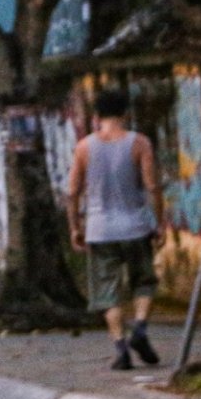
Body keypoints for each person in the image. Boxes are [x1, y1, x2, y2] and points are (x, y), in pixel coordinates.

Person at [67, 87, 167, 371]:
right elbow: (152, 186)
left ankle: (121, 348)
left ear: (96, 115)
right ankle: (141, 329)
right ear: (125, 113)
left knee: (107, 291)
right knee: (144, 282)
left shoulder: (84, 147)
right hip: (135, 226)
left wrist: (75, 226)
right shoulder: (139, 143)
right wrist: (159, 222)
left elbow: (72, 192)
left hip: (99, 230)